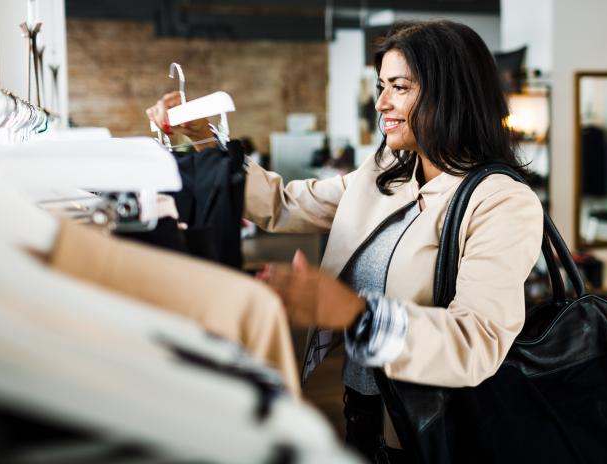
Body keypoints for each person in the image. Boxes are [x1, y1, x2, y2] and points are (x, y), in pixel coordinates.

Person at [147, 20, 542, 463]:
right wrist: (202, 136)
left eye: (400, 87)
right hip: (362, 407)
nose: (381, 103)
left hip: (431, 428)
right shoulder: (386, 172)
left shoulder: (502, 201)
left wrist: (353, 312)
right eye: (381, 86)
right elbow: (285, 204)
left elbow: (476, 341)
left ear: (450, 92)